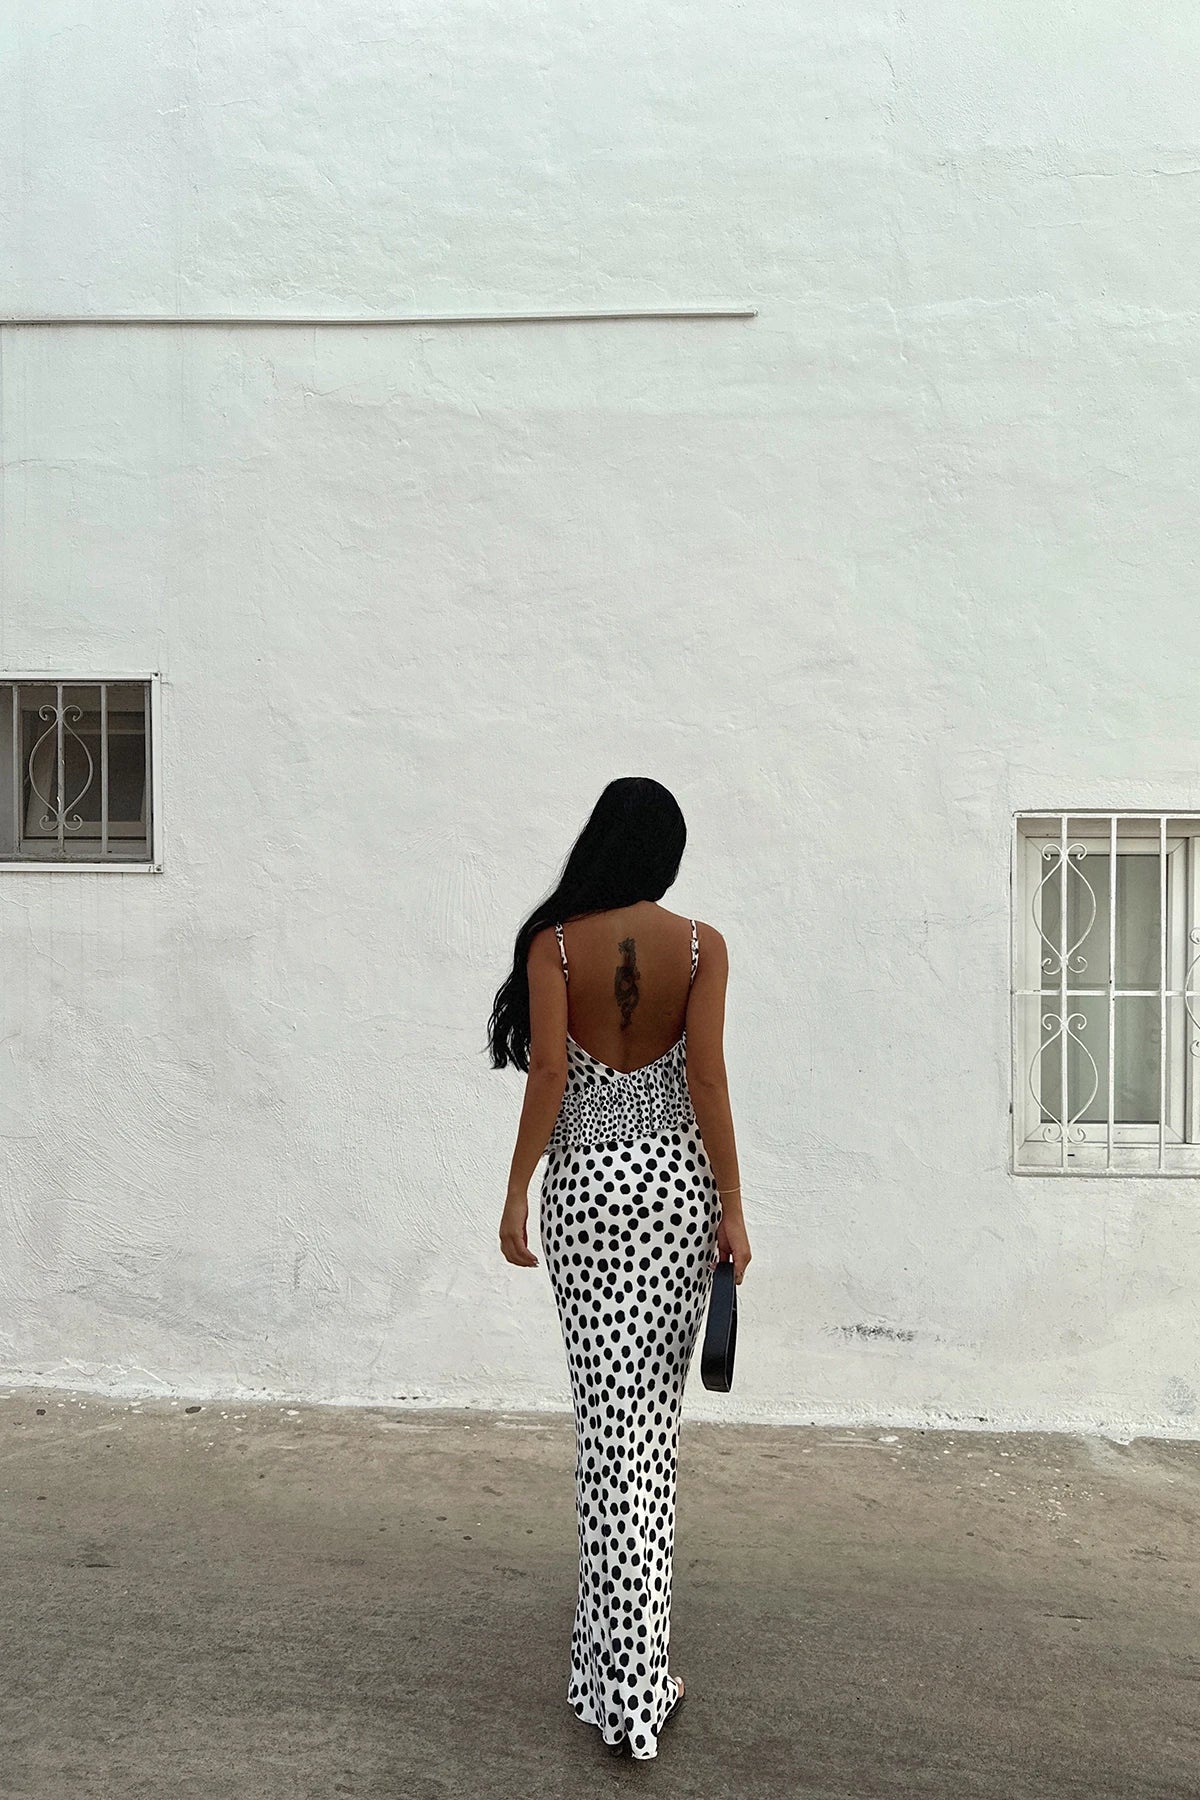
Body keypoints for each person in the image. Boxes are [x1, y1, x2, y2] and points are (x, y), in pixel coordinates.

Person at [488, 776, 752, 1762]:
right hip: (676, 1195)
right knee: (649, 1438)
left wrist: (516, 1188)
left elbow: (551, 1073)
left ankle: (616, 1675)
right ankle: (630, 1678)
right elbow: (707, 1077)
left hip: (589, 1197)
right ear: (665, 856)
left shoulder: (554, 947)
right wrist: (733, 1205)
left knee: (608, 1435)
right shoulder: (702, 947)